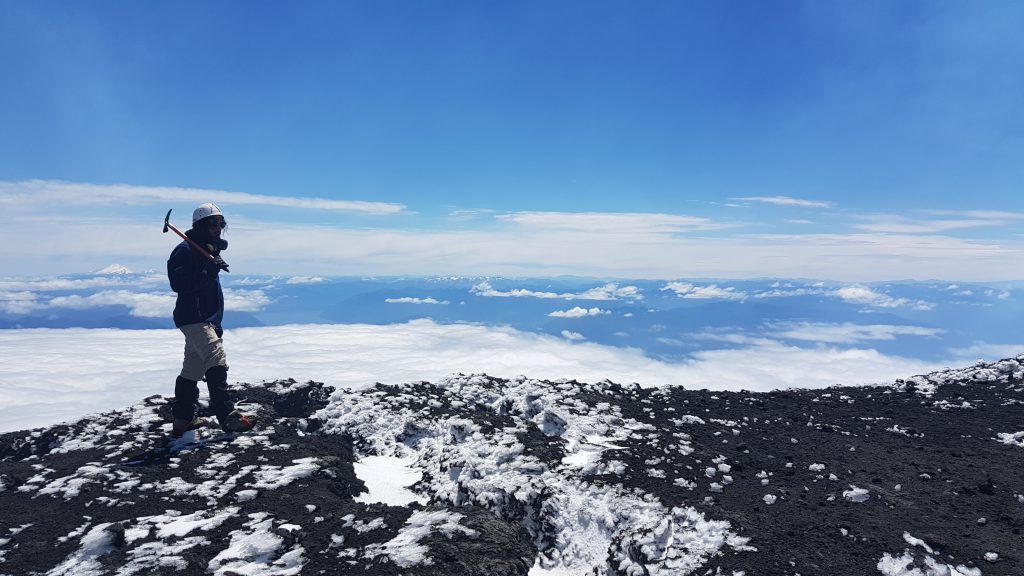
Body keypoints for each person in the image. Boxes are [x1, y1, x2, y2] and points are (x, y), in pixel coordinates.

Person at [167, 203, 253, 436]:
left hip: (205, 319)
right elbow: (180, 285)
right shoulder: (185, 251)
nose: (218, 228)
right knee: (216, 357)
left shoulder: (207, 251)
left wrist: (211, 263)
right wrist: (210, 270)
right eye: (213, 224)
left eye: (221, 224)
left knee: (192, 369)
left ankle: (182, 420)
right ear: (201, 226)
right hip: (195, 318)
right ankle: (227, 417)